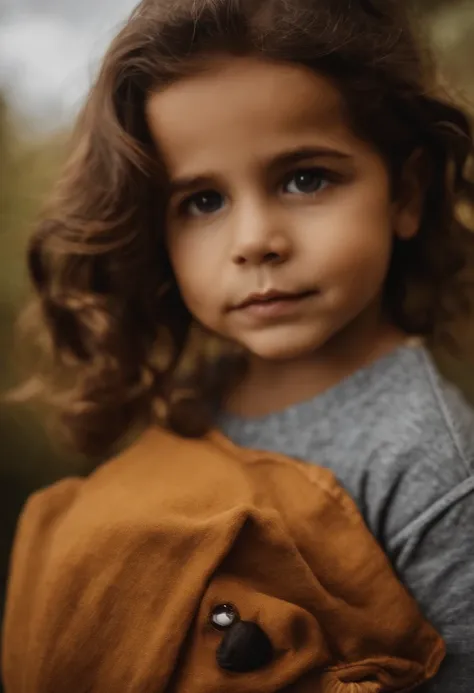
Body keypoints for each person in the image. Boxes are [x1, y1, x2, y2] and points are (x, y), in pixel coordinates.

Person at [4, 0, 474, 690]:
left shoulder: (430, 460)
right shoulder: (199, 396)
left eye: (305, 178)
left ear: (404, 192)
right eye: (202, 201)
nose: (254, 240)